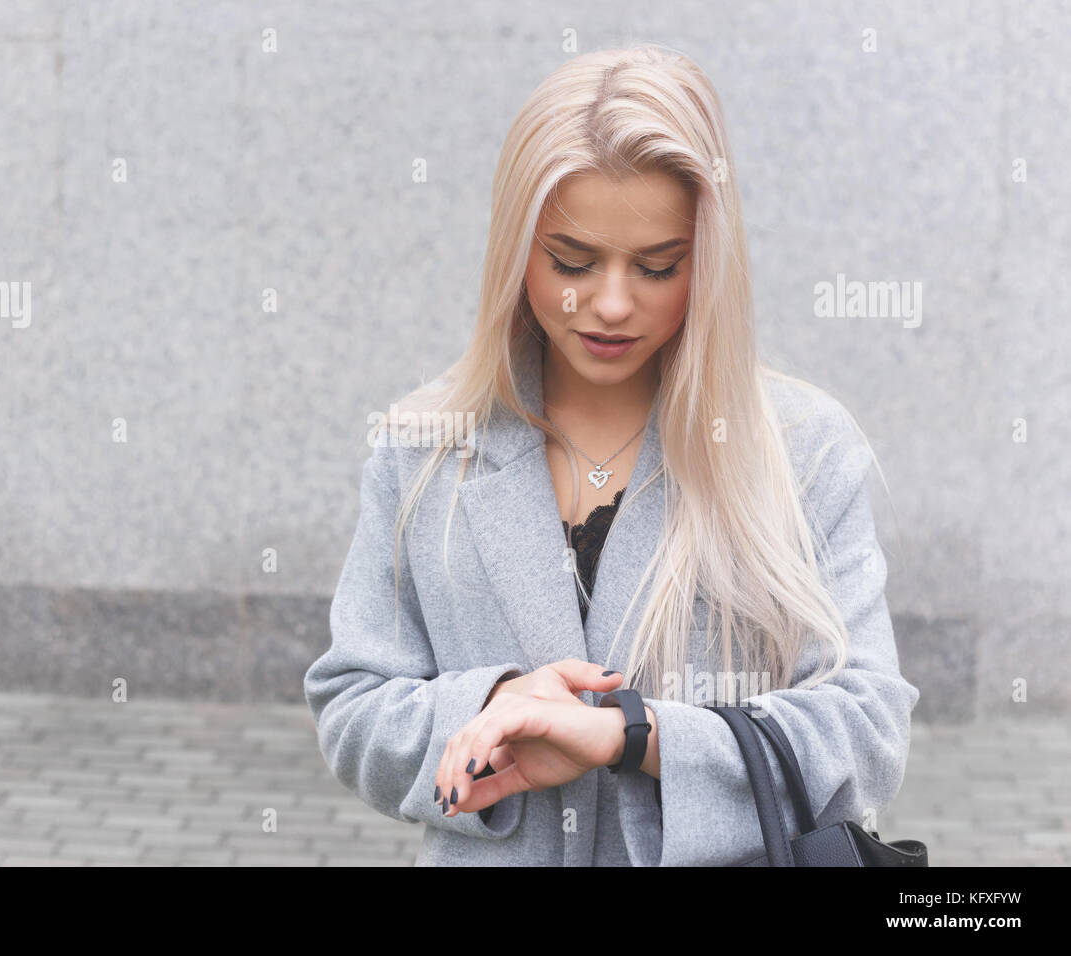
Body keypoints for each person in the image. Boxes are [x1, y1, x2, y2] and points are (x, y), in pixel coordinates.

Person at [304, 45, 920, 866]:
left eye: (659, 266)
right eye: (572, 261)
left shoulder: (799, 448)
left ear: (710, 259)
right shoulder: (423, 449)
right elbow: (353, 703)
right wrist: (491, 708)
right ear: (515, 249)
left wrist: (633, 735)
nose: (613, 304)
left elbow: (868, 728)